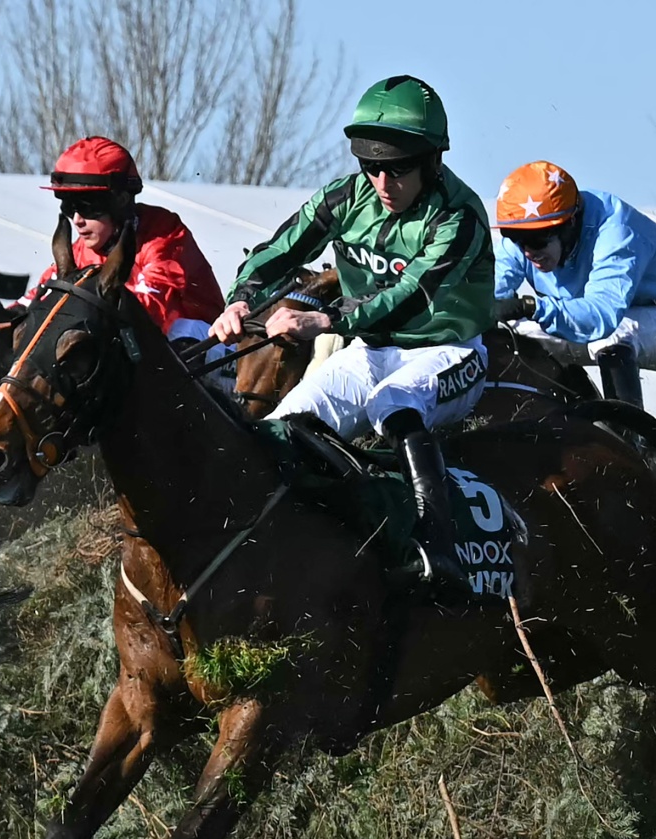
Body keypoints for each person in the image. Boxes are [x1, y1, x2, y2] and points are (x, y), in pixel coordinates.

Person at [208, 75, 494, 587]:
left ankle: (438, 545)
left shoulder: (458, 216)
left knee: (393, 403)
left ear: (432, 160)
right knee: (286, 423)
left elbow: (412, 296)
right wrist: (239, 300)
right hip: (374, 350)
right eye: (371, 166)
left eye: (398, 168)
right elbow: (279, 250)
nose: (383, 183)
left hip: (448, 352)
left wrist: (326, 321)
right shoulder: (345, 196)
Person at [490, 161, 656, 409]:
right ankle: (580, 418)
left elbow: (601, 317)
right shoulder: (523, 236)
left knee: (612, 337)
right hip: (606, 320)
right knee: (514, 337)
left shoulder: (616, 231)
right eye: (515, 238)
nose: (527, 251)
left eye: (537, 240)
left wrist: (530, 306)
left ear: (569, 224)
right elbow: (485, 296)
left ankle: (630, 437)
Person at [22, 137, 225, 344]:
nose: (77, 220)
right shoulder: (81, 251)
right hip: (148, 354)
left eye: (87, 207)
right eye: (69, 207)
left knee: (177, 331)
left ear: (120, 201)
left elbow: (150, 314)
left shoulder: (164, 234)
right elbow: (35, 304)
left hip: (206, 344)